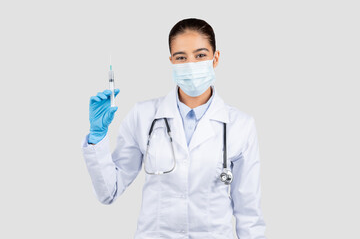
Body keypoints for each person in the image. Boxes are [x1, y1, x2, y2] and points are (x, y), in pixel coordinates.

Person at [81, 18, 267, 239]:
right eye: (181, 57)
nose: (190, 64)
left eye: (200, 55)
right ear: (171, 61)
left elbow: (249, 213)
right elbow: (108, 193)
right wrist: (97, 137)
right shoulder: (143, 115)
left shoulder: (240, 125)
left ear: (215, 58)